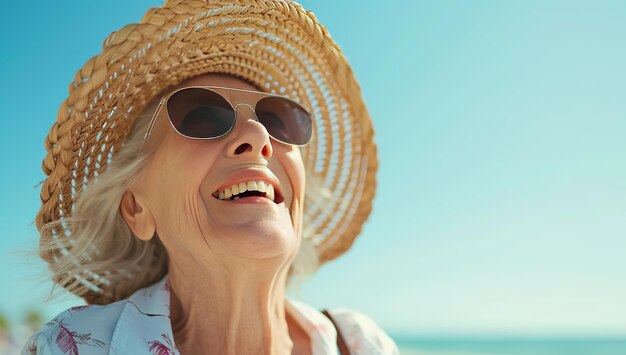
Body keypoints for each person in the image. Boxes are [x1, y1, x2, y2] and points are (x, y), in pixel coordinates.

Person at [22, 0, 398, 354]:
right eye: (202, 117)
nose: (258, 137)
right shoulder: (70, 347)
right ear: (136, 208)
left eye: (276, 120)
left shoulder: (361, 343)